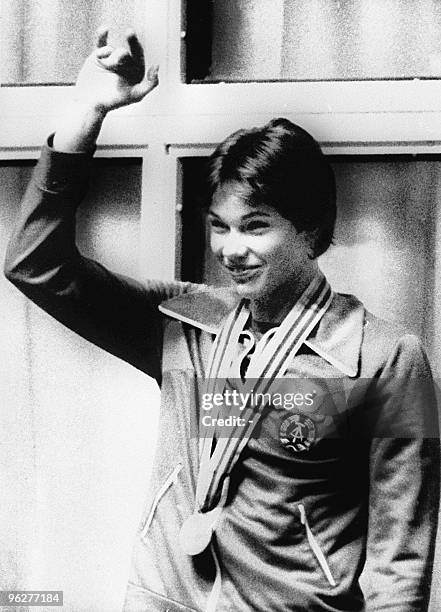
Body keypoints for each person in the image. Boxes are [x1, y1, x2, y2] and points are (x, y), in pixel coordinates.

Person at [4, 29, 440, 612]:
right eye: (218, 225)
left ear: (312, 231)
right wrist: (87, 114)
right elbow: (37, 265)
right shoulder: (183, 320)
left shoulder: (386, 358)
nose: (230, 248)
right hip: (163, 601)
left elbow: (400, 563)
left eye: (256, 226)